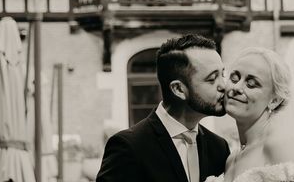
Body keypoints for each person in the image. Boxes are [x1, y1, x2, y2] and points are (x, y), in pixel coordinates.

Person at [97, 34, 230, 182]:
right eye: (212, 79)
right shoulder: (129, 147)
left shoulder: (219, 148)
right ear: (178, 89)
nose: (223, 86)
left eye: (222, 75)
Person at [206, 47, 294, 182]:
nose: (237, 88)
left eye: (251, 84)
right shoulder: (231, 159)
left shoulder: (279, 145)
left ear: (274, 100)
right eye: (234, 79)